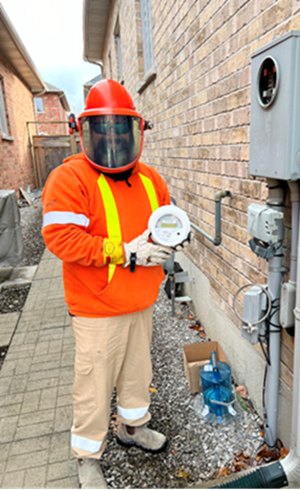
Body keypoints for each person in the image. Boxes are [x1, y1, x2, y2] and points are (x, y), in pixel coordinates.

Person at [42, 79, 175, 489]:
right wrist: (125, 253)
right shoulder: (70, 179)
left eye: (122, 130)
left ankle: (131, 429)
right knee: (95, 384)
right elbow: (61, 238)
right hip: (96, 307)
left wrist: (171, 241)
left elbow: (165, 224)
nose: (113, 139)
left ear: (137, 131)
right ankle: (88, 457)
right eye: (104, 130)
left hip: (141, 300)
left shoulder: (151, 179)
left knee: (137, 374)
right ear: (86, 132)